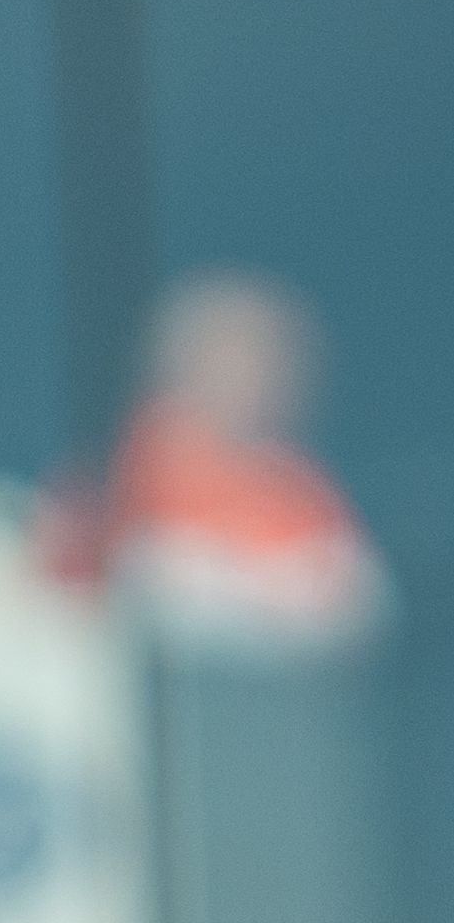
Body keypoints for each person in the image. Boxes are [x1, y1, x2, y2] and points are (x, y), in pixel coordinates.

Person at [48, 270, 392, 654]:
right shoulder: (136, 470)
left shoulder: (294, 480)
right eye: (234, 355)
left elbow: (350, 599)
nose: (260, 377)